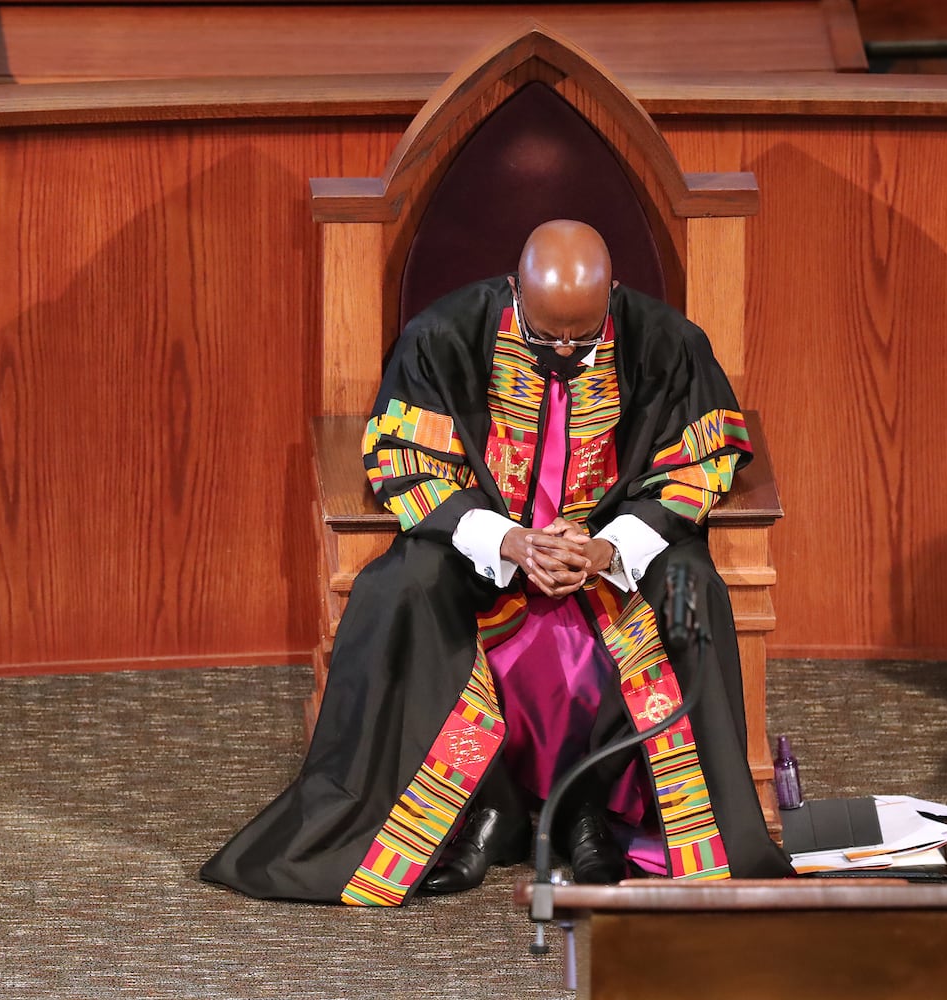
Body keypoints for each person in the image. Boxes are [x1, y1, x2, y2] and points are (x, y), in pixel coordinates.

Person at [201, 220, 793, 905]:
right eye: (546, 339)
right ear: (514, 291)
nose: (564, 354)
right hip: (486, 550)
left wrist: (608, 548)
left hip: (611, 546)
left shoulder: (666, 343)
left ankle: (628, 821)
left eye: (583, 337)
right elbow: (403, 456)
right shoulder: (444, 334)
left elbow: (701, 463)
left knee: (692, 588)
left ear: (613, 296)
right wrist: (508, 541)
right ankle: (477, 813)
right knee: (401, 588)